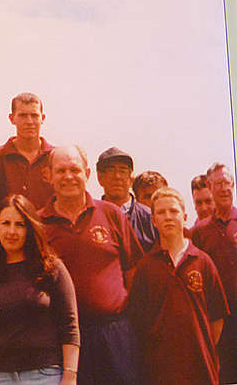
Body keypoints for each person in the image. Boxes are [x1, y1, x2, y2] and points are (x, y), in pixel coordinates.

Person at [38, 145, 143, 385]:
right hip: (64, 337)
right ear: (49, 175)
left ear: (86, 174)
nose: (68, 177)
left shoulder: (111, 214)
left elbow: (133, 271)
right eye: (61, 170)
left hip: (114, 332)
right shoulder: (39, 224)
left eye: (74, 170)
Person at [128, 187, 228, 385]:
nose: (168, 217)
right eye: (161, 212)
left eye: (173, 211)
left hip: (201, 367)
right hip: (160, 369)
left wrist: (199, 345)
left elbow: (217, 319)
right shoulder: (145, 268)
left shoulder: (203, 261)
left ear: (184, 217)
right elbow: (138, 324)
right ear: (154, 221)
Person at [0, 194, 79, 385]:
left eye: (20, 225)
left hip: (44, 376)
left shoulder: (51, 268)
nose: (12, 231)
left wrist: (70, 377)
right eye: (6, 223)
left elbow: (70, 325)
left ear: (30, 229)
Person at [0, 92, 54, 227]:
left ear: (43, 118)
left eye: (34, 115)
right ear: (12, 119)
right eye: (23, 115)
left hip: (48, 239)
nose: (29, 121)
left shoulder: (55, 158)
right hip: (8, 239)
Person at [191, 162, 237, 384]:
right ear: (209, 186)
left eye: (227, 182)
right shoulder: (200, 232)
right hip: (220, 317)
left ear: (233, 184)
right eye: (218, 183)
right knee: (225, 373)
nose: (224, 188)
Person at [95, 147, 158, 252]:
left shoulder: (149, 218)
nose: (117, 176)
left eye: (123, 170)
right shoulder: (91, 218)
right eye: (110, 170)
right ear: (100, 178)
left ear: (131, 178)